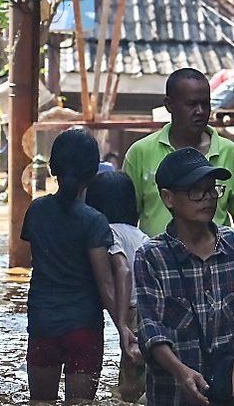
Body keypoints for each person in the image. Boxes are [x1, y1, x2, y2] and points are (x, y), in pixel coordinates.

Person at [133, 147, 234, 406]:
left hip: (232, 393)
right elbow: (151, 333)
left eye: (212, 189)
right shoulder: (151, 257)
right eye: (196, 191)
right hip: (172, 395)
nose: (208, 198)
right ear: (168, 198)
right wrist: (182, 373)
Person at [21, 128, 137, 403]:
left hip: (42, 323)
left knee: (40, 402)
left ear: (52, 168)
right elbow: (105, 283)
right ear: (92, 173)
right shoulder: (93, 221)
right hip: (83, 328)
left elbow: (36, 261)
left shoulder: (36, 211)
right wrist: (122, 327)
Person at [123, 68, 234, 258]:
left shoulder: (228, 151)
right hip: (158, 268)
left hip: (218, 265)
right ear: (169, 105)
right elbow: (125, 222)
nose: (200, 111)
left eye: (205, 104)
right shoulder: (140, 153)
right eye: (191, 104)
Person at [86, 170, 149, 403]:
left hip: (133, 307)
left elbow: (123, 271)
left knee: (130, 371)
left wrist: (121, 322)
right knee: (148, 365)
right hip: (152, 306)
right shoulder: (140, 234)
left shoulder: (108, 231)